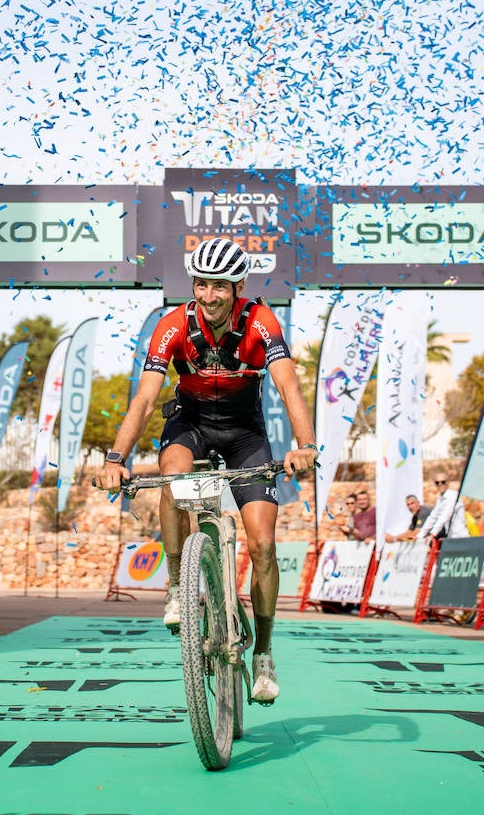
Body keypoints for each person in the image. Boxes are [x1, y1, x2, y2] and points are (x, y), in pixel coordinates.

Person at [95, 237, 318, 704]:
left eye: (218, 286)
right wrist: (116, 459)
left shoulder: (262, 322)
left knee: (262, 543)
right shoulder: (173, 325)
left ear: (238, 286)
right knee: (173, 482)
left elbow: (288, 385)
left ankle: (264, 654)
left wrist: (305, 446)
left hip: (245, 435)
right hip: (190, 425)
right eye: (200, 284)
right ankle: (177, 587)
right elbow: (145, 398)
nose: (208, 295)